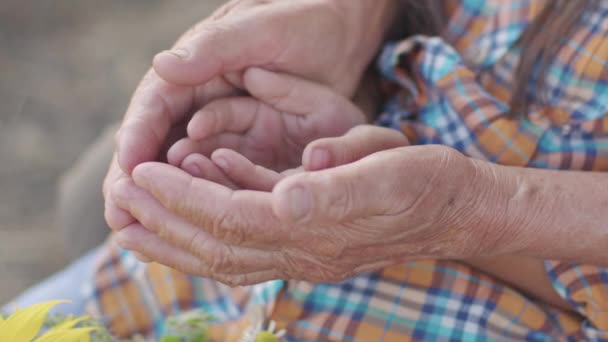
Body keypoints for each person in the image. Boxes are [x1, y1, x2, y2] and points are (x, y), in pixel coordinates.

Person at [7, 0, 608, 340]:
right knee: (106, 194)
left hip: (507, 300)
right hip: (208, 287)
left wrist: (477, 211)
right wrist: (351, 21)